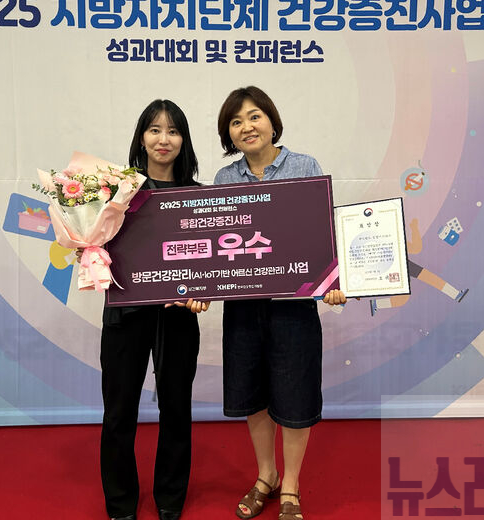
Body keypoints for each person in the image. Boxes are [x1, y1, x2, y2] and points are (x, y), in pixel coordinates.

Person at [213, 86, 346, 520]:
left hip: (294, 305)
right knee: (252, 395)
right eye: (236, 122)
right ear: (229, 134)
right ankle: (265, 476)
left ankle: (291, 485)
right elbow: (215, 246)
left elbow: (323, 233)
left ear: (272, 121)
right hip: (243, 306)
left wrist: (333, 281)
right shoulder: (224, 180)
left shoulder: (304, 166)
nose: (246, 127)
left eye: (254, 116)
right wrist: (198, 285)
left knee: (294, 394)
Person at [97, 99, 209, 520]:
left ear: (184, 140)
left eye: (173, 131)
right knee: (119, 412)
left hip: (178, 317)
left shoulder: (198, 196)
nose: (164, 139)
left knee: (177, 409)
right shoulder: (115, 192)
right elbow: (96, 243)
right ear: (141, 138)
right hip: (126, 314)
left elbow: (208, 262)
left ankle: (170, 499)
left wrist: (204, 291)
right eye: (155, 129)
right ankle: (120, 504)